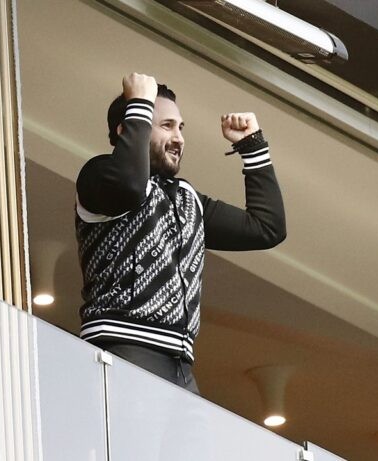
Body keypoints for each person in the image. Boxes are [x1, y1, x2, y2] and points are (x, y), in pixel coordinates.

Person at [75, 72, 286, 393]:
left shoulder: (187, 199)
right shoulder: (99, 175)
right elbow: (129, 186)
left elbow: (267, 228)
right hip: (123, 347)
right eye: (166, 126)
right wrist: (139, 102)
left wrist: (252, 145)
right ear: (128, 128)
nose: (179, 138)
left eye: (180, 127)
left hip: (181, 363)